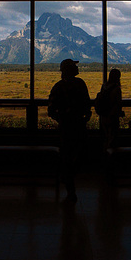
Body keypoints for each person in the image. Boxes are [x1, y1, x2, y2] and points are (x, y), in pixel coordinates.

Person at [48, 58, 92, 202]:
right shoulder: (80, 84)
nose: (77, 68)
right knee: (79, 154)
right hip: (77, 125)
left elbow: (51, 110)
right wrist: (85, 116)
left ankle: (68, 181)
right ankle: (69, 182)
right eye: (74, 66)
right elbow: (87, 102)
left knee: (68, 156)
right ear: (70, 69)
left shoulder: (58, 86)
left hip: (67, 127)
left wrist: (61, 119)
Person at [94, 68, 124, 150]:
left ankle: (104, 151)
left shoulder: (104, 86)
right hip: (112, 116)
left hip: (103, 115)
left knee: (105, 135)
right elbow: (118, 103)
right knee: (113, 136)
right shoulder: (117, 88)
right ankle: (111, 154)